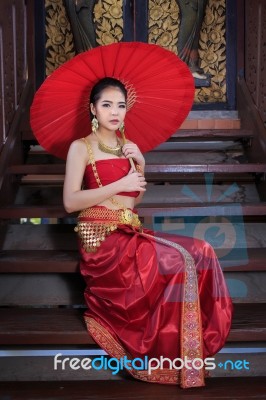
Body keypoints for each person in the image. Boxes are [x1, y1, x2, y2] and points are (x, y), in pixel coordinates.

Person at [63, 76, 232, 388]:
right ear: (93, 109)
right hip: (100, 237)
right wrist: (121, 183)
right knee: (179, 261)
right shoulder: (81, 147)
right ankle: (163, 352)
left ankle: (190, 348)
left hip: (130, 229)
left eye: (121, 105)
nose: (115, 111)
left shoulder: (128, 147)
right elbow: (70, 201)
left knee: (202, 250)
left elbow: (134, 198)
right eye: (107, 104)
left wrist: (141, 166)